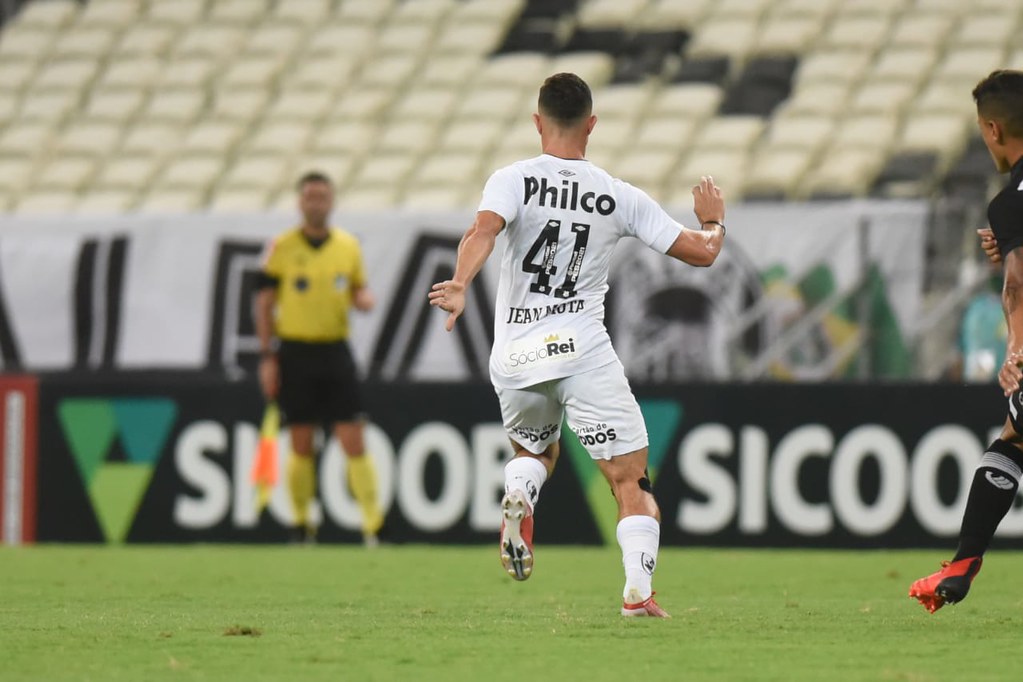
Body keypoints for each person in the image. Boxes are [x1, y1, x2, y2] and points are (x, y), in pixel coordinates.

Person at [428, 73, 726, 617]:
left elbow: (482, 231)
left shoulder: (512, 179)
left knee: (535, 453)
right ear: (592, 124)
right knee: (629, 479)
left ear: (537, 122)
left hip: (516, 355)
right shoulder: (618, 194)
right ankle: (638, 592)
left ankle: (521, 494)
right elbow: (702, 252)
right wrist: (713, 220)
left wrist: (461, 283)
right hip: (581, 352)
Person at [910, 69, 1023, 613]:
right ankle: (961, 563)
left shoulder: (1009, 202)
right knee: (1014, 438)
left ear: (993, 130)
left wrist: (1016, 351)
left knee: (1014, 439)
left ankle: (962, 564)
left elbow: (1018, 283)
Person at [255, 171, 385, 545]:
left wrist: (363, 299)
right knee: (301, 439)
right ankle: (301, 524)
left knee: (353, 436)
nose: (316, 203)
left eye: (322, 196)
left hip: (334, 350)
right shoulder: (281, 248)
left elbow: (358, 289)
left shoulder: (347, 246)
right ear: (300, 202)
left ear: (332, 201)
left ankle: (374, 525)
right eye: (310, 197)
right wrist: (267, 356)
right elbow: (264, 303)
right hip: (295, 351)